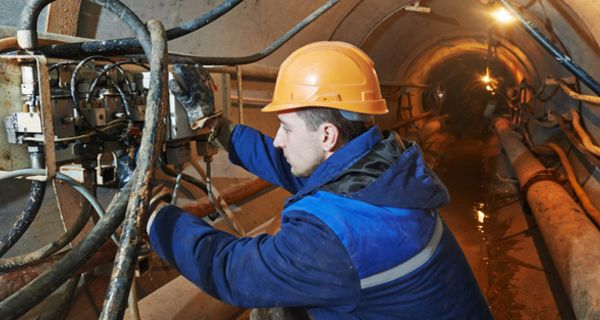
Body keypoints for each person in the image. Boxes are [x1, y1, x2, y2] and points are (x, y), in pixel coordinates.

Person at [146, 41, 492, 319]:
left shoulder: (333, 239)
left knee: (272, 309)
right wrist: (216, 127)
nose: (279, 140)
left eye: (285, 128)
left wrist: (153, 215)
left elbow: (231, 270)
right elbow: (285, 165)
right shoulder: (383, 173)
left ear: (327, 135)